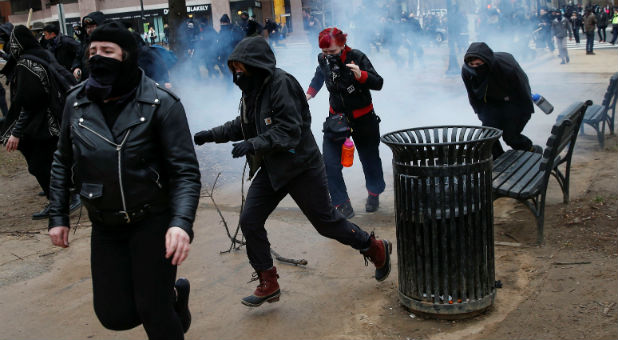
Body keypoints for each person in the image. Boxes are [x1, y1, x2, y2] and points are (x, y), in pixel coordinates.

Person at [193, 36, 391, 307]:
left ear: (255, 65)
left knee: (327, 224)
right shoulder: (251, 89)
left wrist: (254, 143)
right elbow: (245, 123)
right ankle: (268, 281)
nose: (237, 74)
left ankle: (374, 247)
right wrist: (211, 135)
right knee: (250, 219)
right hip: (273, 168)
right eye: (234, 69)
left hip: (301, 167)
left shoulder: (281, 84)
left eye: (242, 68)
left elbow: (289, 129)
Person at [47, 22, 201, 340]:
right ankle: (173, 297)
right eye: (92, 52)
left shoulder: (161, 103)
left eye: (107, 51)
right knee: (114, 316)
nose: (97, 57)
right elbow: (62, 160)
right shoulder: (76, 103)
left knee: (152, 309)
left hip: (152, 220)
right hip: (105, 224)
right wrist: (58, 215)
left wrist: (180, 224)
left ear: (127, 56)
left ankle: (164, 302)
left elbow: (185, 171)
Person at [1, 25, 81, 219]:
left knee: (40, 164)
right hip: (50, 120)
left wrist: (17, 132)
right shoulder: (39, 55)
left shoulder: (27, 64)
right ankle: (66, 195)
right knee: (52, 161)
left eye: (12, 42)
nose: (11, 46)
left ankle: (62, 200)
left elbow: (29, 102)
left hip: (43, 125)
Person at [305, 28, 385, 218]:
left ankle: (374, 193)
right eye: (325, 52)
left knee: (370, 159)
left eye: (332, 52)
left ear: (342, 45)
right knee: (329, 163)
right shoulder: (322, 59)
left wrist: (361, 75)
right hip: (336, 119)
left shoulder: (357, 57)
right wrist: (308, 94)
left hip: (363, 118)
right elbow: (319, 76)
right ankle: (342, 203)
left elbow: (378, 82)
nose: (328, 56)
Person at [461, 42, 542, 160]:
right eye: (472, 64)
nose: (475, 67)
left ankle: (532, 150)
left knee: (510, 137)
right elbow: (472, 94)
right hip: (489, 103)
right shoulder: (467, 71)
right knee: (488, 138)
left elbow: (523, 88)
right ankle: (500, 160)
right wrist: (479, 113)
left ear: (486, 60)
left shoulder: (507, 67)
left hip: (513, 101)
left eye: (478, 64)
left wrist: (525, 112)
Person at [72, 11, 105, 81]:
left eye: (93, 26)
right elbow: (77, 58)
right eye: (87, 27)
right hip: (86, 82)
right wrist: (76, 67)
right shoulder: (84, 42)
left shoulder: (109, 42)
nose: (89, 30)